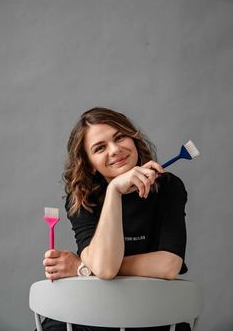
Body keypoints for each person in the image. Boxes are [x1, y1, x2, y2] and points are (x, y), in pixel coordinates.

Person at [41, 107, 190, 331]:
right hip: (93, 313)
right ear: (90, 163)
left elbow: (168, 266)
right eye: (100, 148)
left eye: (120, 137)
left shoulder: (168, 186)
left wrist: (86, 268)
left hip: (152, 313)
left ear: (133, 139)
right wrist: (115, 191)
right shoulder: (81, 197)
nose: (115, 150)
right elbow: (105, 268)